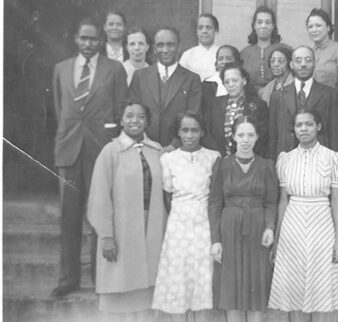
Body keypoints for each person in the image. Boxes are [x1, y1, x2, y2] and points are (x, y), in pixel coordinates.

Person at [50, 17, 127, 298]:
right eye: (83, 38)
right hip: (69, 151)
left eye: (93, 39)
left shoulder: (114, 69)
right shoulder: (61, 69)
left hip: (100, 152)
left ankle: (100, 279)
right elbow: (62, 112)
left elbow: (120, 110)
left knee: (100, 216)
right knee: (68, 217)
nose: (88, 43)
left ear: (101, 40)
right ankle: (68, 279)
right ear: (75, 38)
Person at [87, 102, 166, 317]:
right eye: (129, 116)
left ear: (147, 122)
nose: (135, 121)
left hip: (152, 224)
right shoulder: (110, 152)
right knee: (122, 285)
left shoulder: (157, 151)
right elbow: (99, 197)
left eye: (141, 116)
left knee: (147, 291)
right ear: (121, 120)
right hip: (122, 228)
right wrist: (106, 235)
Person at [269, 109, 338, 321]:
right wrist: (277, 238)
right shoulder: (285, 159)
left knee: (320, 287)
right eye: (299, 125)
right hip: (292, 225)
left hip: (322, 223)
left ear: (318, 127)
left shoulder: (333, 157)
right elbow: (283, 200)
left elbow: (337, 200)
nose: (304, 129)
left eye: (309, 124)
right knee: (294, 288)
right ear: (293, 130)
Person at [208, 116, 278, 322]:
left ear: (257, 137)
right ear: (233, 137)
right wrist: (216, 240)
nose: (245, 140)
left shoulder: (266, 165)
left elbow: (271, 202)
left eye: (250, 135)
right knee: (231, 285)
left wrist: (269, 227)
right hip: (229, 229)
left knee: (256, 283)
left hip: (257, 229)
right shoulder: (223, 164)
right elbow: (214, 204)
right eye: (241, 135)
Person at [153, 112, 220, 321]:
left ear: (202, 132)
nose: (189, 135)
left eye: (194, 130)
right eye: (185, 130)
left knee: (202, 276)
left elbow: (217, 195)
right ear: (178, 132)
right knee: (178, 277)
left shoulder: (213, 157)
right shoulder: (168, 159)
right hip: (178, 223)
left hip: (203, 222)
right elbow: (167, 195)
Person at [129, 26, 202, 149]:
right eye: (160, 45)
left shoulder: (192, 79)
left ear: (179, 47)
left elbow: (193, 117)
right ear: (154, 48)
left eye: (170, 45)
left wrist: (174, 145)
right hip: (144, 147)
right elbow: (133, 113)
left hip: (178, 150)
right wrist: (145, 142)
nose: (165, 50)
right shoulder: (140, 76)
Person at [267, 46, 338, 160]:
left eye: (308, 60)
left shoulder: (329, 94)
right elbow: (273, 135)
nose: (303, 64)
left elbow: (335, 134)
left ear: (314, 63)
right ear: (291, 64)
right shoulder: (278, 96)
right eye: (298, 60)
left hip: (320, 160)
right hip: (287, 159)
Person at [205, 62, 269, 157]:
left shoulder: (259, 105)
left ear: (244, 81)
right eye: (227, 82)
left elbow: (262, 137)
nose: (231, 85)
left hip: (249, 160)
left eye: (235, 80)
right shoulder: (214, 104)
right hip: (220, 159)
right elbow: (208, 133)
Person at [240, 6, 291, 90]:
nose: (263, 26)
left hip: (279, 96)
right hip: (252, 98)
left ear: (273, 26)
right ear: (254, 26)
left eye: (267, 22)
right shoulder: (244, 53)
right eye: (259, 22)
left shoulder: (285, 50)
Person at [306, 8, 338, 88]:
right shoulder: (308, 52)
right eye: (310, 27)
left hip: (333, 99)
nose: (314, 30)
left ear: (328, 28)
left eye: (318, 26)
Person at [201, 45, 242, 118]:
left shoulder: (243, 83)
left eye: (228, 58)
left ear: (237, 61)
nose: (224, 62)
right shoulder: (207, 84)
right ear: (216, 63)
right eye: (220, 59)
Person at [179, 14, 220, 81]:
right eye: (200, 28)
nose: (204, 31)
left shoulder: (222, 54)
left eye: (208, 27)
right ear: (197, 32)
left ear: (215, 31)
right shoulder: (187, 55)